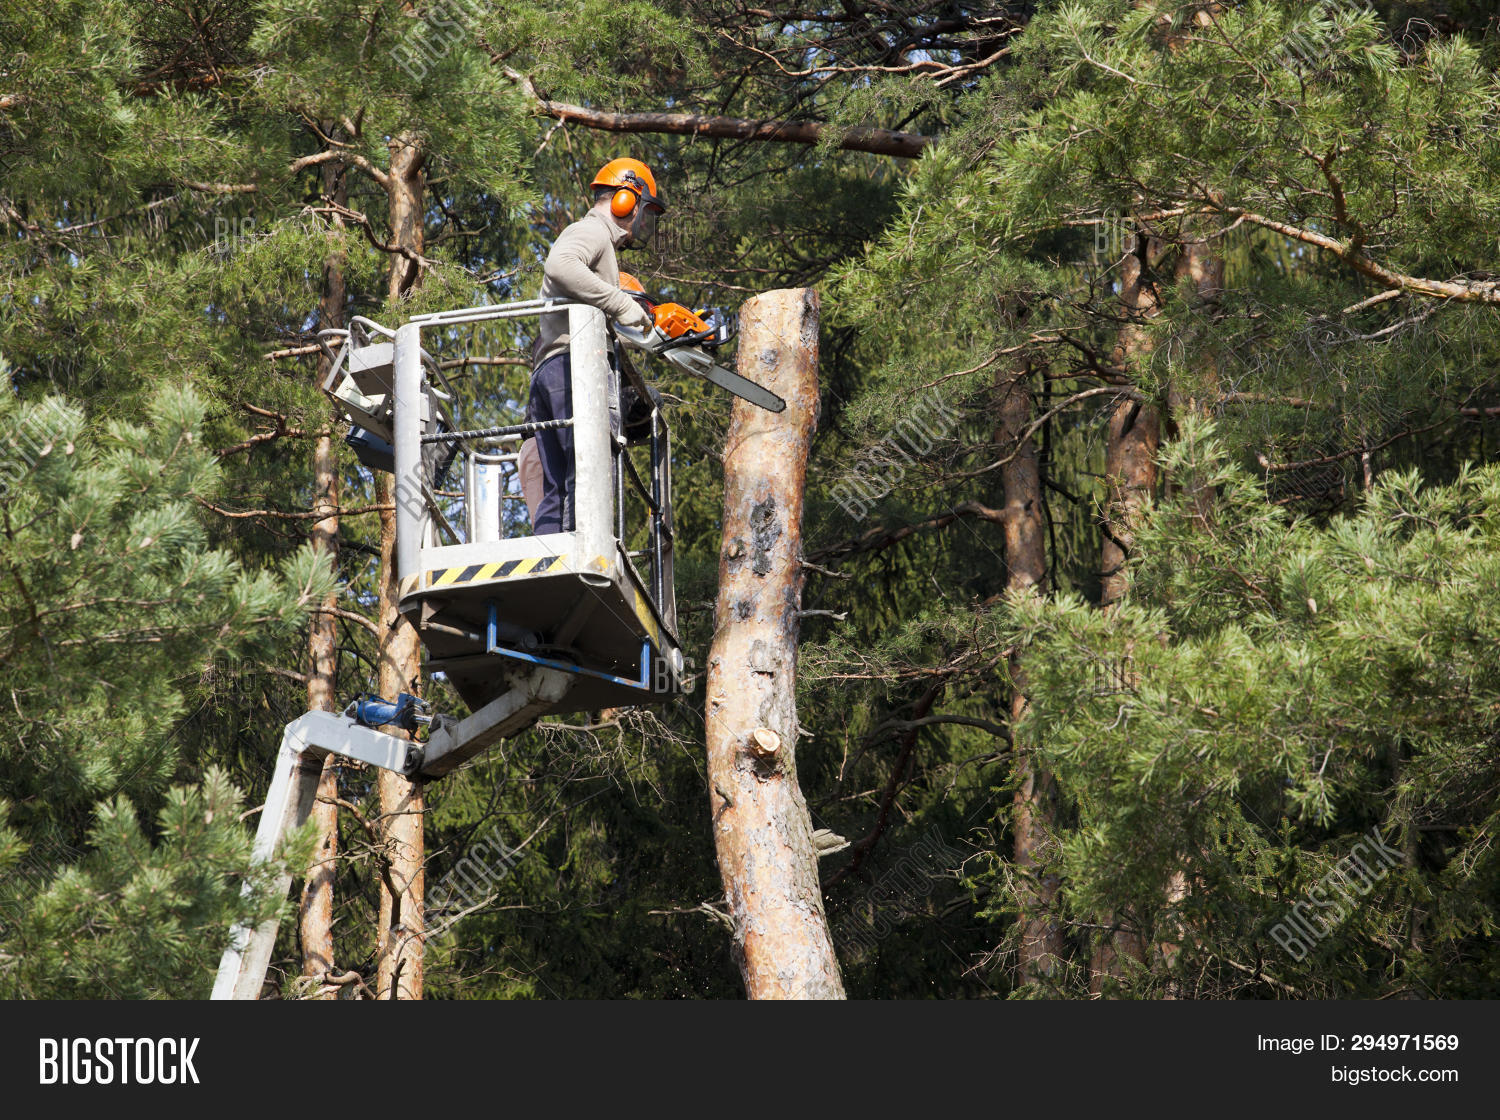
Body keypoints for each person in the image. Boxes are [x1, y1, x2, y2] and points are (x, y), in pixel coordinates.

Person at [524, 158, 664, 535]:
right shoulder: (593, 231)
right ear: (625, 199)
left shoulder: (596, 241)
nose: (642, 223)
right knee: (589, 475)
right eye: (645, 211)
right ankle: (583, 554)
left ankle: (552, 562)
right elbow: (560, 265)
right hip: (576, 369)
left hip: (553, 369)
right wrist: (621, 304)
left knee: (558, 489)